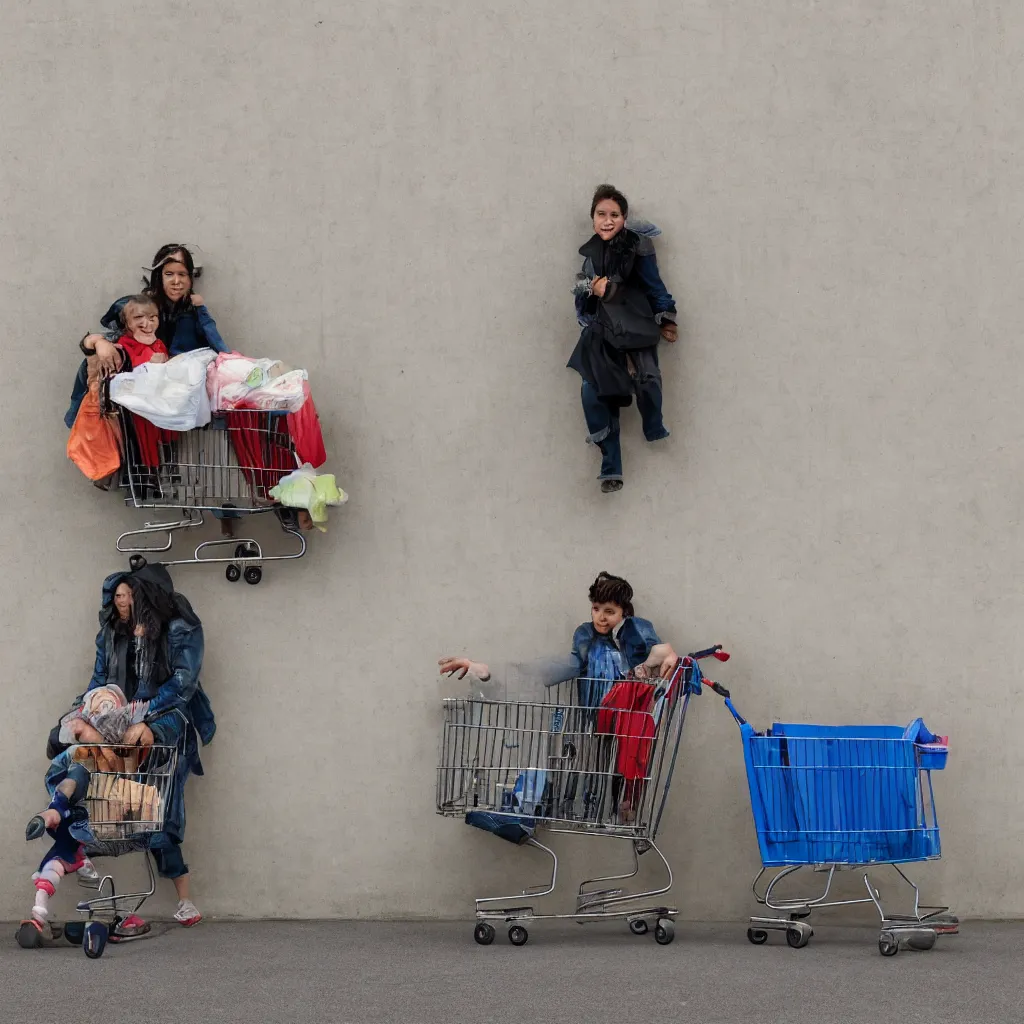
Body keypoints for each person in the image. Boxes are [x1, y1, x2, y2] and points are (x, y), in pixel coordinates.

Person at [26, 565, 215, 944]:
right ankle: (70, 829)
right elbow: (99, 681)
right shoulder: (113, 632)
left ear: (146, 598)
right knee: (85, 757)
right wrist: (79, 713)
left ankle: (182, 897)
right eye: (117, 595)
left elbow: (182, 684)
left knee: (158, 816)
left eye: (128, 594)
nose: (120, 601)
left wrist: (145, 716)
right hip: (116, 719)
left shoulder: (179, 628)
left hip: (164, 717)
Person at [567, 185, 678, 493]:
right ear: (592, 218)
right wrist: (589, 290)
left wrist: (666, 316)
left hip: (634, 324)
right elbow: (583, 304)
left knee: (648, 379)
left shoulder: (637, 246)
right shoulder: (589, 257)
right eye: (601, 214)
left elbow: (654, 284)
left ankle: (653, 426)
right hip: (602, 332)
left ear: (623, 218)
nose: (607, 220)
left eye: (614, 214)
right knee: (595, 393)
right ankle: (611, 467)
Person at [65, 244, 230, 428]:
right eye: (169, 274)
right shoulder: (139, 307)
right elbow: (105, 339)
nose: (176, 281)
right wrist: (99, 342)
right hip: (122, 405)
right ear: (158, 276)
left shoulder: (189, 313)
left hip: (158, 404)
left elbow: (214, 346)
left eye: (182, 274)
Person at [439, 571, 678, 696]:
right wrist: (486, 671)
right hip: (598, 726)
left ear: (623, 612)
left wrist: (665, 656)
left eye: (609, 611)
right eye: (596, 609)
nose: (601, 617)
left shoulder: (634, 634)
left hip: (632, 721)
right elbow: (547, 669)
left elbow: (655, 652)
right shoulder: (587, 644)